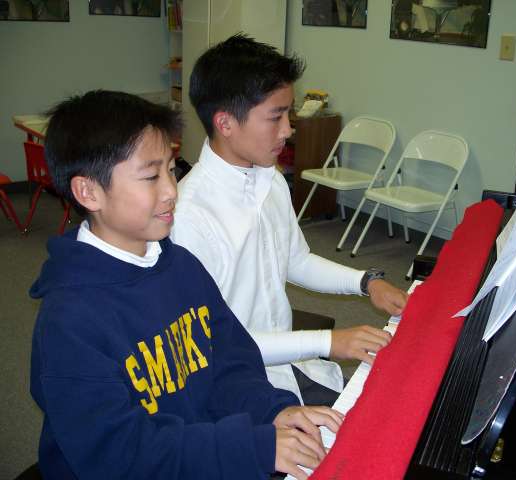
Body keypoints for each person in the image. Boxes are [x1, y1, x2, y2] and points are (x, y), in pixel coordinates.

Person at [29, 90, 342, 480]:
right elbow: (119, 453)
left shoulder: (180, 265)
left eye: (171, 170)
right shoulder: (69, 320)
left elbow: (231, 360)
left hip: (201, 453)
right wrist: (249, 447)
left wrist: (272, 410)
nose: (171, 191)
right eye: (151, 176)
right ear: (88, 192)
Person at [171, 34, 409, 406]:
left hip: (286, 364)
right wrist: (327, 342)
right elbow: (210, 344)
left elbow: (295, 260)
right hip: (234, 388)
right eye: (275, 116)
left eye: (288, 113)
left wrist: (366, 283)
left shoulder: (270, 179)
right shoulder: (189, 217)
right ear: (226, 123)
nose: (288, 129)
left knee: (389, 400)